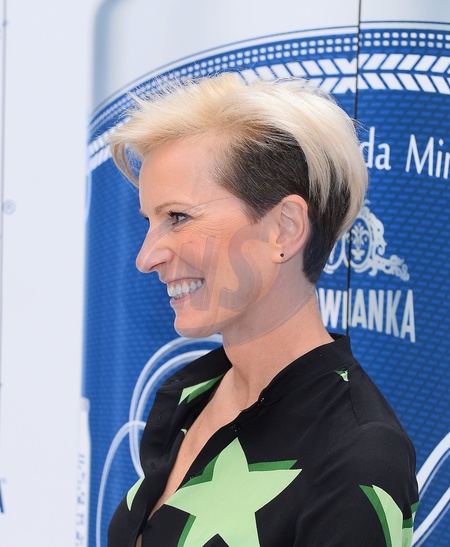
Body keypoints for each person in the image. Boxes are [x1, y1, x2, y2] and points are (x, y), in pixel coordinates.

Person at [108, 73, 418, 547]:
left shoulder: (358, 451)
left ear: (284, 229)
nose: (146, 257)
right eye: (150, 221)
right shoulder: (194, 392)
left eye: (178, 217)